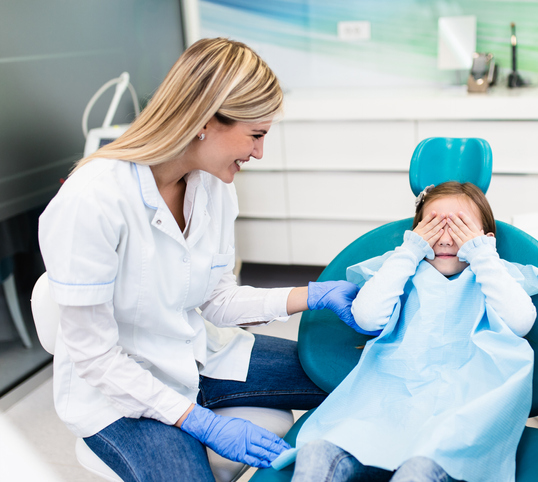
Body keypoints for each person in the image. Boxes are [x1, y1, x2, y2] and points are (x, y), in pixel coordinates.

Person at [38, 38, 366, 482]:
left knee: (356, 372)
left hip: (197, 356)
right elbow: (95, 357)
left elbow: (215, 300)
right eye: (255, 135)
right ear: (204, 122)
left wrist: (309, 296)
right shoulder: (92, 199)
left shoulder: (213, 185)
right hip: (118, 394)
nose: (259, 153)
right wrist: (199, 421)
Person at [274, 181, 538, 482]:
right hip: (390, 405)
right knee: (318, 453)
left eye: (459, 227)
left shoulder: (495, 276)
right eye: (433, 227)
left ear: (486, 240)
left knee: (418, 471)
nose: (445, 239)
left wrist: (483, 255)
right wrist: (409, 252)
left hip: (463, 414)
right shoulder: (403, 273)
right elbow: (366, 317)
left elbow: (520, 321)